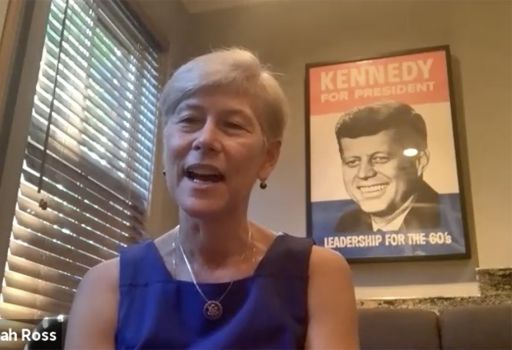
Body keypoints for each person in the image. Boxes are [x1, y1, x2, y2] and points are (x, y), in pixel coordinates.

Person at [65, 48, 358, 349]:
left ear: (268, 158)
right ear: (166, 146)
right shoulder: (105, 285)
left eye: (232, 125)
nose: (205, 139)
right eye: (189, 120)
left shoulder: (318, 273)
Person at [334, 101, 440, 233]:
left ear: (419, 162)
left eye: (379, 158)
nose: (363, 174)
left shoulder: (448, 218)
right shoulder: (345, 225)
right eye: (352, 162)